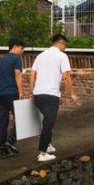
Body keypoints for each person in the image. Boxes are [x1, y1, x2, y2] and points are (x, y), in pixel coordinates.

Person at [29, 34, 78, 162]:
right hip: (51, 95)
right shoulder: (62, 56)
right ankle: (42, 153)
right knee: (48, 123)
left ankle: (48, 145)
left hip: (38, 95)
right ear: (60, 43)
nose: (65, 48)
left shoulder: (40, 56)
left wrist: (32, 90)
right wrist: (71, 93)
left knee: (47, 121)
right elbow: (66, 76)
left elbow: (32, 74)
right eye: (65, 45)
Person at [0, 38, 25, 157]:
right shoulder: (16, 58)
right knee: (21, 117)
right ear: (16, 46)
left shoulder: (1, 60)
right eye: (22, 48)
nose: (22, 51)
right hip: (11, 92)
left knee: (3, 120)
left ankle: (3, 149)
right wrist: (21, 91)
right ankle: (11, 141)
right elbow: (17, 73)